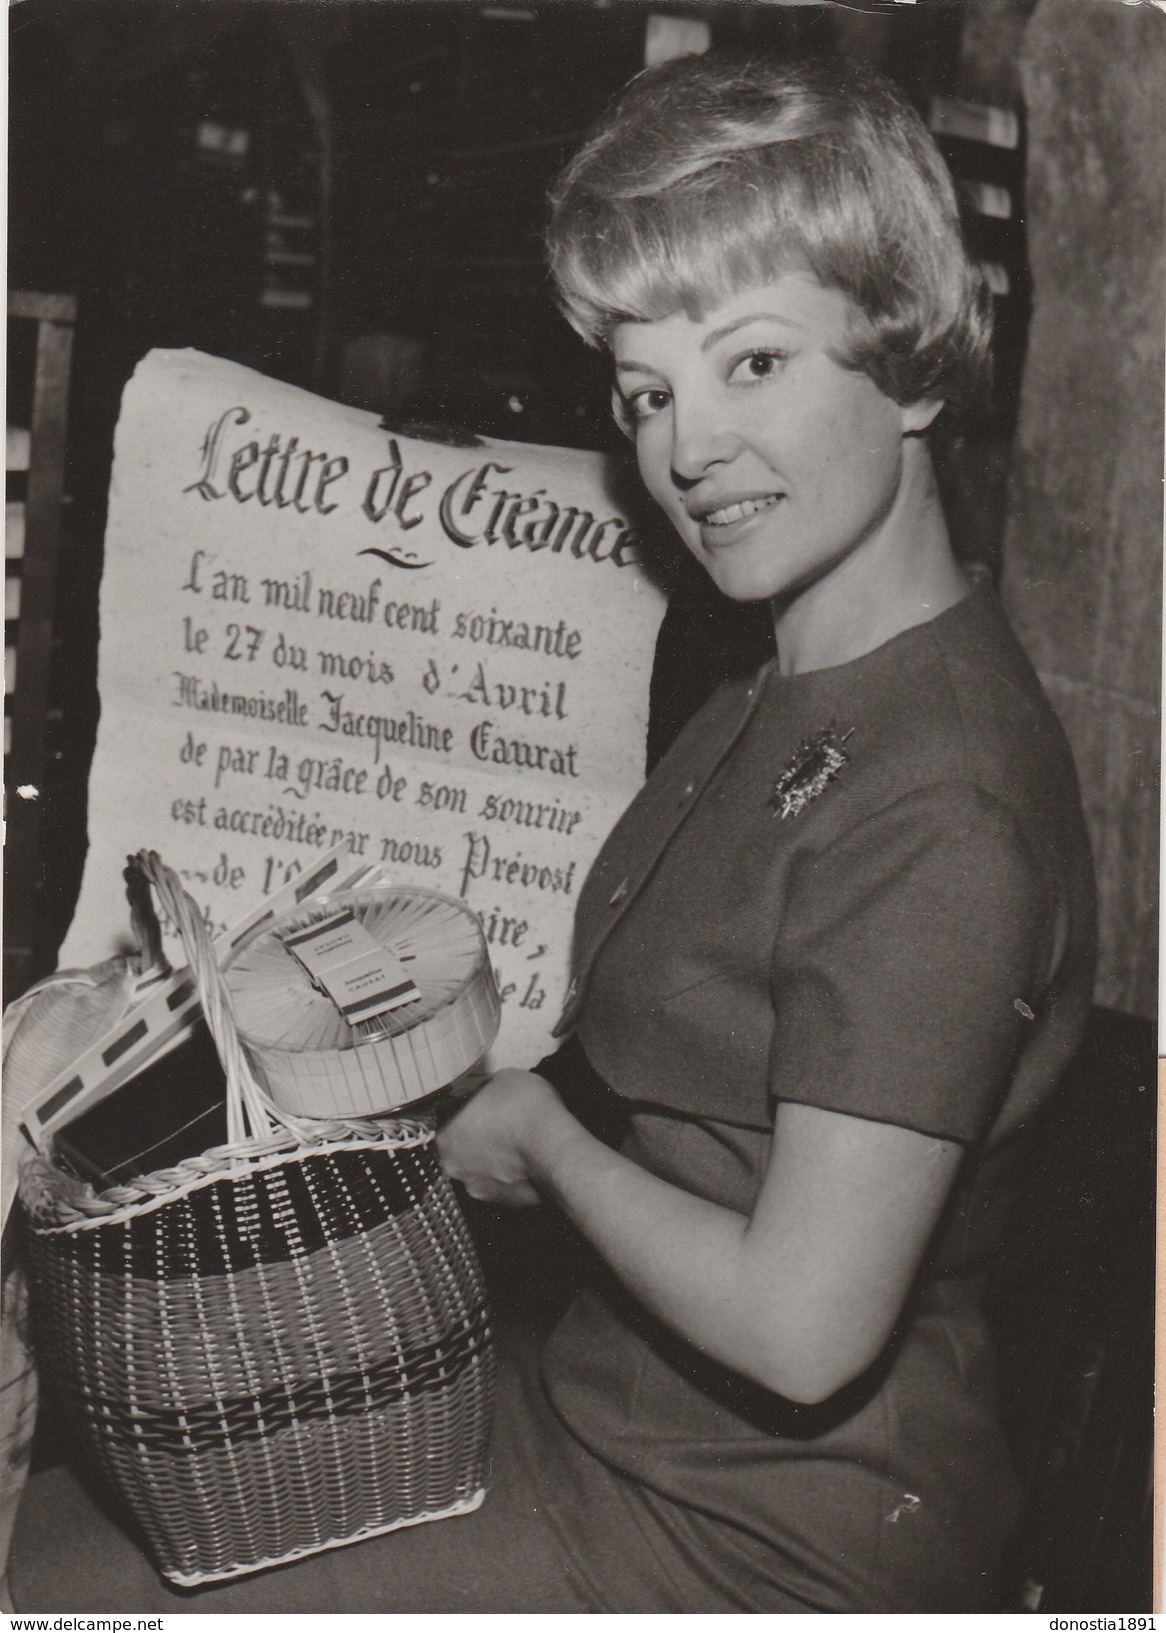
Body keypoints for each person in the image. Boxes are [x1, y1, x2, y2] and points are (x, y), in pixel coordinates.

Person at [8, 51, 1096, 1615]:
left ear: (914, 365)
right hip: (597, 1403)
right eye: (648, 391)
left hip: (772, 1532)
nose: (687, 447)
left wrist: (535, 1142)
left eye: (754, 363)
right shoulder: (772, 678)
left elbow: (804, 1326)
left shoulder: (945, 805)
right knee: (52, 1534)